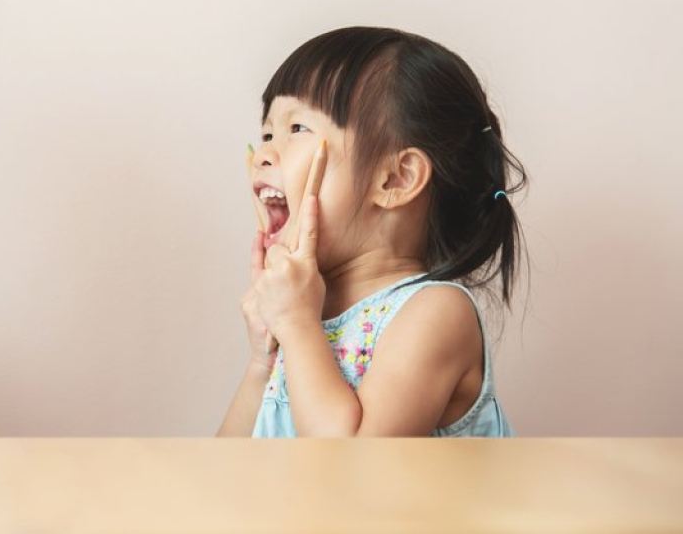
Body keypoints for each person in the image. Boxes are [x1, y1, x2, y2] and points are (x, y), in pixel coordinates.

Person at [217, 27, 524, 437]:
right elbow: (225, 470)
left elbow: (355, 471)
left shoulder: (436, 313)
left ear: (395, 179)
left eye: (296, 130)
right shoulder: (307, 312)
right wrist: (262, 359)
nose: (265, 154)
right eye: (267, 133)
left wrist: (295, 323)